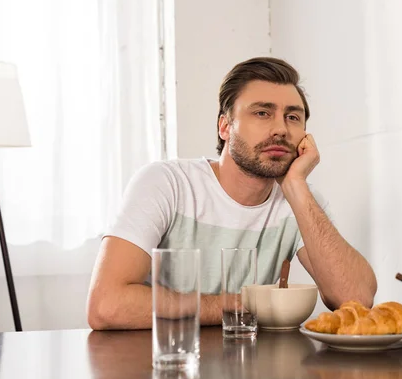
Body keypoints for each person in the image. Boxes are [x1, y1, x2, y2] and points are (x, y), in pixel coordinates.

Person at [86, 56, 377, 330]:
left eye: (292, 117)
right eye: (262, 113)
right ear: (225, 126)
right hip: (165, 361)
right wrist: (233, 306)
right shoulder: (166, 183)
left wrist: (296, 187)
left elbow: (357, 300)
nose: (280, 129)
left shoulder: (299, 199)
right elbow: (106, 304)